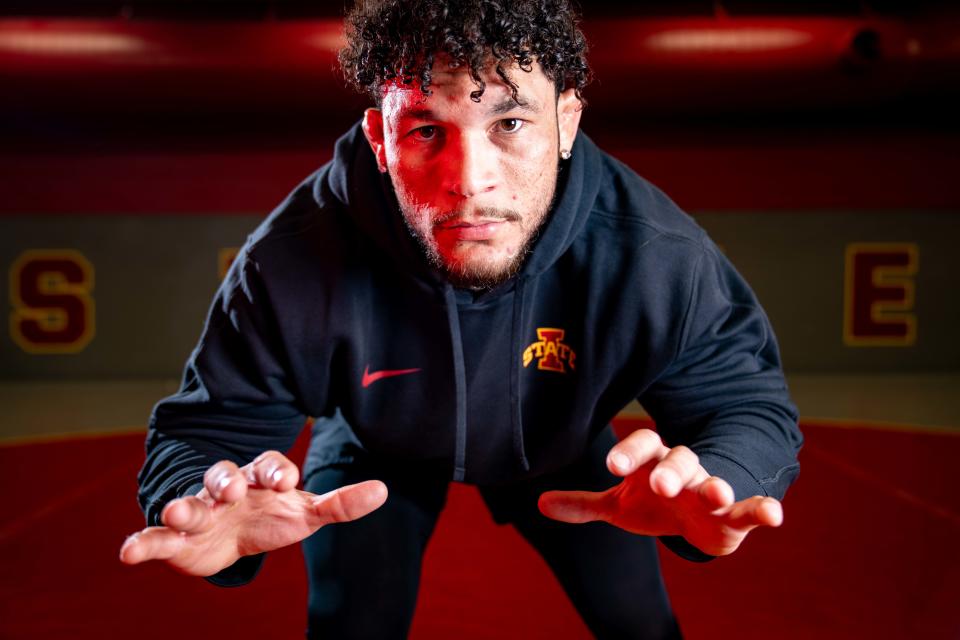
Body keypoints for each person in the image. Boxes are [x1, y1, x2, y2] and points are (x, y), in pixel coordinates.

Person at [120, 1, 803, 637]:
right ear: (381, 140)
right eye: (424, 130)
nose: (469, 179)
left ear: (567, 121)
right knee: (350, 620)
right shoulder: (297, 256)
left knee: (640, 623)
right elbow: (207, 428)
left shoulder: (651, 252)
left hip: (560, 443)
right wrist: (200, 494)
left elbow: (744, 404)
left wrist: (720, 475)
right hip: (373, 442)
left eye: (510, 123)